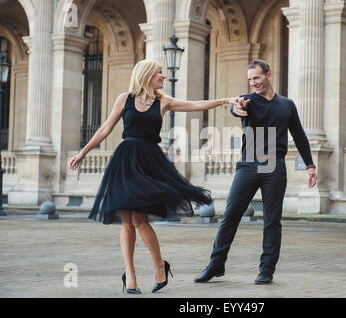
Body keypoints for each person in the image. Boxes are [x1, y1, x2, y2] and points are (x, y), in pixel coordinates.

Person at [69, 59, 238, 294]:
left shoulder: (163, 101)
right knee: (127, 221)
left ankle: (159, 265)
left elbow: (195, 104)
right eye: (159, 72)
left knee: (138, 220)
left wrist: (224, 101)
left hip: (148, 161)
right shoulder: (124, 99)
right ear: (147, 74)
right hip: (125, 161)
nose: (163, 76)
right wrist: (83, 152)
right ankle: (130, 274)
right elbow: (104, 129)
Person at [194, 59, 317, 285]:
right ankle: (216, 265)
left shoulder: (287, 105)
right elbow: (236, 107)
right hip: (249, 165)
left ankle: (266, 270)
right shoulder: (247, 101)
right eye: (250, 80)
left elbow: (299, 135)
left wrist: (310, 165)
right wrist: (236, 108)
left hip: (274, 166)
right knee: (230, 216)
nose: (254, 83)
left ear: (269, 75)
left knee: (272, 221)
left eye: (257, 78)